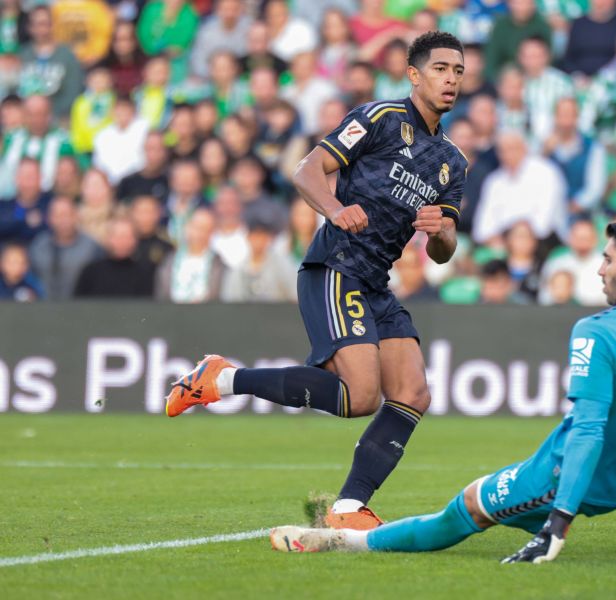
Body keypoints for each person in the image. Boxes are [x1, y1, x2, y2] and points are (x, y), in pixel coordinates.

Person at [270, 217, 616, 565]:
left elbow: (587, 434)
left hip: (561, 481)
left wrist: (557, 528)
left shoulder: (599, 331)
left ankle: (343, 541)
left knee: (462, 511)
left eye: (608, 259)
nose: (600, 270)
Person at [165, 32, 468, 530]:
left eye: (457, 70)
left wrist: (439, 234)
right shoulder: (380, 118)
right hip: (336, 266)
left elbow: (444, 249)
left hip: (376, 282)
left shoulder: (452, 162)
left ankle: (349, 507)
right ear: (414, 75)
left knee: (413, 393)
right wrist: (334, 208)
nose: (450, 79)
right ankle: (220, 378)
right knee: (361, 396)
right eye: (440, 69)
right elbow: (308, 170)